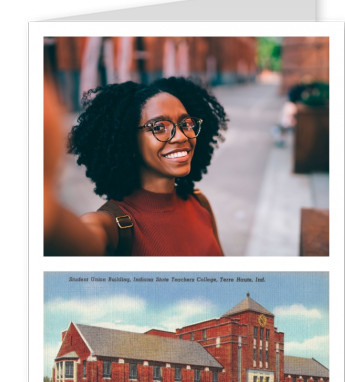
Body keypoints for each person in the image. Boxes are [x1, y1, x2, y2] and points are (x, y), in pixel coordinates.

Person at [45, 76, 228, 256]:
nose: (181, 136)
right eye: (159, 127)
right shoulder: (112, 226)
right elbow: (71, 239)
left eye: (186, 123)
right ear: (129, 141)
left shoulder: (200, 203)